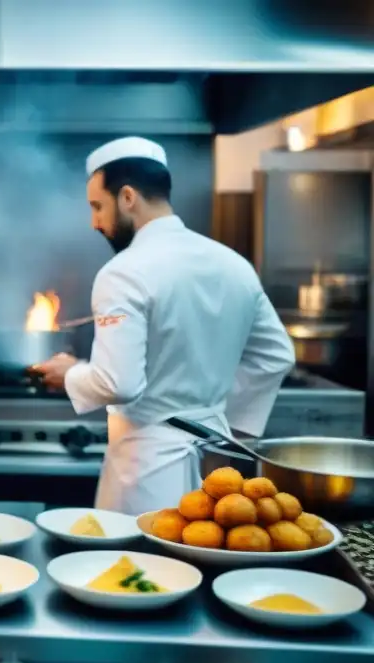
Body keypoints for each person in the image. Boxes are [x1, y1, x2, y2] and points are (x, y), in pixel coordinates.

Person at [35, 137, 295, 516]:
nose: (94, 223)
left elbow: (118, 382)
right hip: (217, 468)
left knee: (140, 570)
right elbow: (276, 356)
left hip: (148, 472)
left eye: (97, 207)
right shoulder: (233, 263)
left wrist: (70, 374)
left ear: (127, 197)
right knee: (202, 568)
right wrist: (223, 424)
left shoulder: (123, 271)